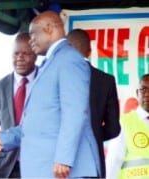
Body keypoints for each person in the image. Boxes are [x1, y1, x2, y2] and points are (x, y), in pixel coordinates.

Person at [0, 10, 100, 178]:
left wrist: (64, 158)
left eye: (33, 34)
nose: (30, 40)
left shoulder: (69, 59)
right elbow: (33, 127)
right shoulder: (49, 64)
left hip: (67, 171)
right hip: (46, 170)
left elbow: (75, 112)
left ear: (49, 28)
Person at [66, 28, 121, 178]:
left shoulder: (55, 79)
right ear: (89, 51)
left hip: (62, 165)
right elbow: (113, 128)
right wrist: (92, 137)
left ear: (66, 49)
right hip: (93, 164)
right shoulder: (106, 81)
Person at [0, 32, 37, 178]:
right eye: (16, 54)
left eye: (26, 53)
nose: (20, 58)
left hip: (39, 166)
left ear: (36, 54)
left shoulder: (46, 82)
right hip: (5, 169)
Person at [106, 74, 149, 179]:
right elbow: (113, 162)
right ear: (137, 93)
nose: (147, 94)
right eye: (143, 89)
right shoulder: (125, 122)